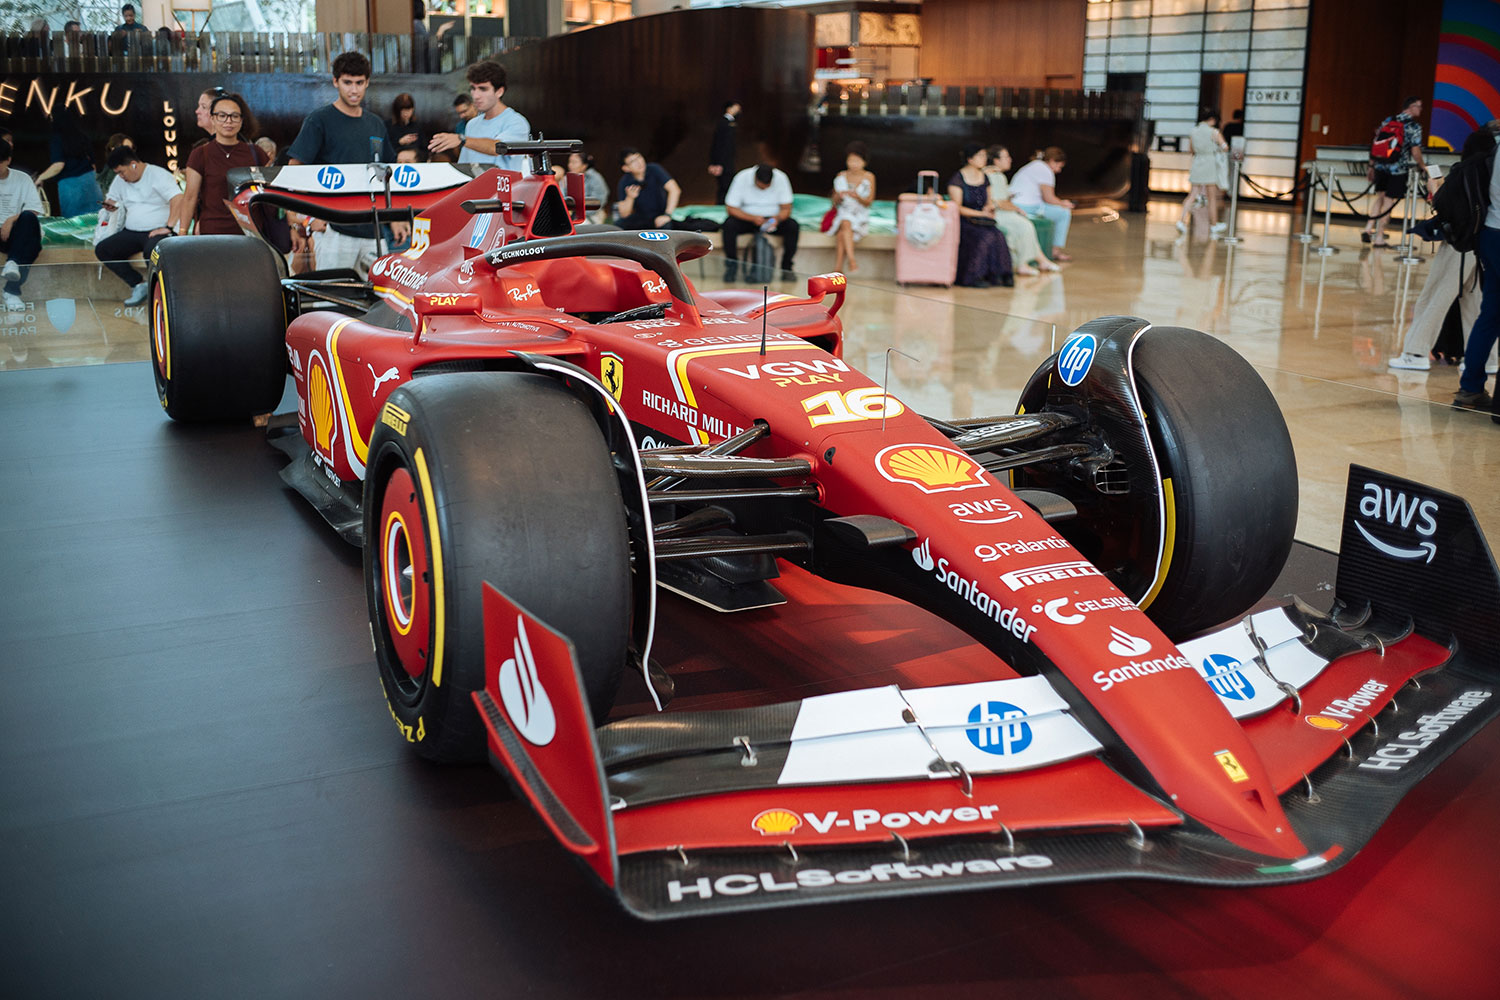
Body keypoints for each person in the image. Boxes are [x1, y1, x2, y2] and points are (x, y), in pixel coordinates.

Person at [286, 51, 405, 275]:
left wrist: (394, 218)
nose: (354, 89)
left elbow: (389, 175)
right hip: (334, 231)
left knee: (383, 303)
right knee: (332, 302)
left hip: (374, 230)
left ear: (367, 83)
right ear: (335, 82)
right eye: (347, 82)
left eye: (359, 83)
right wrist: (308, 218)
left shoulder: (376, 124)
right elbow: (295, 170)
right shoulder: (319, 120)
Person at [96, 145, 185, 306]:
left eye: (121, 172)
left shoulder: (157, 174)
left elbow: (177, 198)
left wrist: (169, 227)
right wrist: (109, 206)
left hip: (159, 230)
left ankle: (161, 294)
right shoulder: (120, 180)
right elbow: (112, 199)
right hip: (132, 231)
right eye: (118, 173)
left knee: (152, 251)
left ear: (133, 165)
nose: (121, 176)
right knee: (103, 249)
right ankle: (138, 284)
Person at [183, 93, 267, 236]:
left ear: (241, 121)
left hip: (250, 233)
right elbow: (190, 197)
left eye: (234, 116)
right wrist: (182, 232)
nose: (229, 121)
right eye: (222, 116)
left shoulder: (256, 153)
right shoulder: (200, 154)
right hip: (213, 233)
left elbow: (269, 194)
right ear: (213, 118)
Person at [428, 61, 531, 173]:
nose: (476, 96)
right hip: (474, 188)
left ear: (499, 91)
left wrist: (461, 140)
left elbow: (498, 148)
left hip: (504, 188)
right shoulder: (472, 124)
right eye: (473, 88)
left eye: (483, 89)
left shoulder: (517, 122)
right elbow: (465, 166)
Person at [947, 144, 1014, 288]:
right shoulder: (957, 179)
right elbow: (956, 207)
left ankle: (1001, 274)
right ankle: (974, 275)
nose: (984, 159)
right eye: (980, 156)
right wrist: (980, 213)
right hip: (965, 221)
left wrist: (989, 209)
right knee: (985, 236)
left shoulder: (985, 177)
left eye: (985, 156)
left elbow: (988, 201)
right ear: (970, 159)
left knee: (998, 235)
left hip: (982, 219)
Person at [985, 145, 1058, 276]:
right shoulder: (995, 176)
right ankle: (1024, 263)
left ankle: (1041, 260)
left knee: (1024, 224)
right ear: (996, 160)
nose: (1010, 159)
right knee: (1025, 225)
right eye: (1006, 157)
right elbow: (999, 202)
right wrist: (1017, 209)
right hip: (998, 214)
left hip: (1000, 212)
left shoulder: (993, 174)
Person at [1365, 97, 1427, 248]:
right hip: (1397, 169)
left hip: (1380, 166)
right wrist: (1423, 166)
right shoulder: (1414, 126)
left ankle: (1368, 227)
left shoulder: (1388, 120)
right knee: (1388, 202)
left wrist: (1371, 166)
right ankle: (1379, 237)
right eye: (1418, 106)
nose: (1420, 110)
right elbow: (1415, 151)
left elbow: (1376, 143)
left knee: (1380, 197)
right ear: (1411, 107)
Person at [722, 162, 798, 281]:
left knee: (793, 226)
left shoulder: (781, 178)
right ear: (755, 178)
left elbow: (786, 208)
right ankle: (732, 267)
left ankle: (787, 268)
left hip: (772, 219)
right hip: (748, 218)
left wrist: (776, 219)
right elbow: (731, 208)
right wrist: (752, 218)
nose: (764, 189)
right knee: (729, 225)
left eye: (767, 186)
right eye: (761, 185)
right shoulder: (742, 177)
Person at [0, 138, 44, 314]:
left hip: (17, 233)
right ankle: (12, 290)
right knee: (32, 246)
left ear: (8, 160)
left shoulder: (22, 179)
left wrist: (10, 221)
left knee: (28, 221)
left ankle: (12, 276)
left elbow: (34, 210)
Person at [1010, 146, 1075, 262]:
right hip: (1028, 207)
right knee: (1063, 213)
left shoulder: (1034, 165)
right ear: (1052, 161)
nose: (1058, 170)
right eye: (1058, 166)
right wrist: (1063, 203)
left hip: (1014, 204)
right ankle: (1055, 251)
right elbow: (1049, 198)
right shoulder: (1045, 170)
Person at [34, 109, 103, 219]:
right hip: (91, 181)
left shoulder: (57, 139)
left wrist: (40, 178)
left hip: (70, 185)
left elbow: (58, 165)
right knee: (97, 220)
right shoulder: (82, 136)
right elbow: (93, 165)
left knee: (74, 226)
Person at [1179, 108, 1229, 234]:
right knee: (1211, 197)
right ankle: (1214, 225)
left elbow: (1191, 150)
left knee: (1192, 195)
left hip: (1197, 163)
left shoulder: (1193, 131)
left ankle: (1181, 221)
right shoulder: (1214, 132)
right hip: (1209, 165)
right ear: (1212, 120)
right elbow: (1225, 147)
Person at [831, 141, 874, 274]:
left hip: (860, 215)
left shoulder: (869, 177)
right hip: (844, 213)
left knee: (841, 233)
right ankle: (851, 261)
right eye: (851, 160)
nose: (853, 164)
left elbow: (869, 202)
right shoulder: (841, 176)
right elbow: (834, 201)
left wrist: (857, 197)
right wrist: (839, 196)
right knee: (845, 221)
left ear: (864, 161)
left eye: (857, 161)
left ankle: (838, 268)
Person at [614, 148, 681, 231]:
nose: (639, 162)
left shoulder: (654, 169)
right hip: (641, 218)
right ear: (626, 168)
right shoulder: (624, 182)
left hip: (660, 215)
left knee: (666, 226)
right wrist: (630, 198)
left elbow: (674, 190)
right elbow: (624, 214)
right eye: (632, 161)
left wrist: (667, 214)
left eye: (639, 157)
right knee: (618, 225)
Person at [709, 100, 739, 205]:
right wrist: (716, 163)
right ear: (729, 108)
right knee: (724, 187)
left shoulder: (730, 122)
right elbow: (718, 145)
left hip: (728, 162)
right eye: (736, 107)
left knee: (727, 186)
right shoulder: (723, 123)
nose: (738, 110)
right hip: (723, 163)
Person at [567, 150, 610, 225]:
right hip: (573, 214)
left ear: (584, 165)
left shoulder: (595, 178)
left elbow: (599, 201)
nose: (570, 165)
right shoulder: (567, 178)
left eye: (574, 162)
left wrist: (579, 213)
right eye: (569, 162)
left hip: (593, 215)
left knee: (581, 226)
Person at [390, 93, 422, 164]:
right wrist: (399, 142)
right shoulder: (389, 126)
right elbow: (385, 149)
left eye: (408, 110)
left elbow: (423, 147)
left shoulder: (417, 126)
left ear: (413, 109)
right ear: (397, 111)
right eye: (403, 110)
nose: (406, 114)